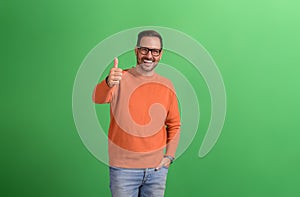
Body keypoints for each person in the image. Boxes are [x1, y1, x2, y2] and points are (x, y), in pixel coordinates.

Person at [92, 30, 181, 197]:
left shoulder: (167, 85)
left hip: (156, 171)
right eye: (144, 50)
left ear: (160, 55)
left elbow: (174, 124)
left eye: (155, 51)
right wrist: (108, 82)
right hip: (123, 170)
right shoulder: (120, 78)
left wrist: (169, 157)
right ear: (136, 51)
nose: (149, 56)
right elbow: (96, 97)